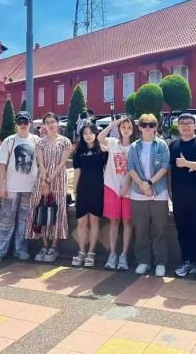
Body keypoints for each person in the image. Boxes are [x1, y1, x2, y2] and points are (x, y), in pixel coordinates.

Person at [0, 111, 38, 264]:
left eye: (25, 122)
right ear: (16, 124)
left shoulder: (36, 140)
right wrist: (2, 185)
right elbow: (2, 165)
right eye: (20, 122)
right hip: (11, 186)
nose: (22, 125)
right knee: (6, 219)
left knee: (25, 220)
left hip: (29, 187)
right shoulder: (9, 140)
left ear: (30, 123)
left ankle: (20, 249)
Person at [169, 113, 196, 281]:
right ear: (178, 126)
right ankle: (186, 261)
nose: (186, 126)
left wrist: (187, 163)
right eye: (182, 123)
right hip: (179, 195)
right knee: (183, 230)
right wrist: (170, 190)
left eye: (189, 123)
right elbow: (170, 169)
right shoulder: (174, 145)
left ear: (195, 125)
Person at [127, 113, 170, 277]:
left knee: (160, 227)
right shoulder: (134, 146)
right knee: (141, 228)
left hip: (159, 191)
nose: (147, 128)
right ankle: (143, 261)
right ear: (139, 127)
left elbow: (165, 167)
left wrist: (150, 183)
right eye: (144, 125)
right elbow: (131, 168)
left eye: (151, 125)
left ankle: (160, 262)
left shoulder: (162, 145)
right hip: (138, 192)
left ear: (155, 127)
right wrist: (142, 185)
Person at [26, 112, 72, 261]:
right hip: (42, 178)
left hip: (58, 179)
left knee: (57, 209)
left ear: (57, 123)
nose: (51, 125)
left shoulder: (65, 141)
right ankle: (44, 244)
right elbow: (40, 162)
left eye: (53, 121)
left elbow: (63, 162)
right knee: (40, 208)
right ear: (44, 125)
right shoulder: (40, 142)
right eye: (48, 122)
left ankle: (54, 247)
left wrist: (51, 178)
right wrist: (45, 180)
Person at [98, 117, 135, 271]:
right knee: (113, 221)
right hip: (112, 187)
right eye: (123, 127)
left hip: (129, 190)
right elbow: (100, 138)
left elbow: (133, 169)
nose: (126, 130)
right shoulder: (113, 143)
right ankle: (112, 254)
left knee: (127, 222)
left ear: (133, 130)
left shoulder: (135, 147)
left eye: (129, 127)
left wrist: (126, 186)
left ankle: (124, 255)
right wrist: (111, 125)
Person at [71, 123, 108, 267]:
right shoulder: (78, 152)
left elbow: (107, 169)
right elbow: (77, 171)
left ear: (96, 134)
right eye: (85, 133)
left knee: (94, 221)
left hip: (97, 189)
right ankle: (81, 251)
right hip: (82, 189)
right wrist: (75, 190)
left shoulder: (102, 151)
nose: (88, 136)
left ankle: (91, 252)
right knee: (81, 222)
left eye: (91, 132)